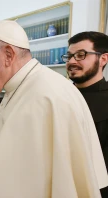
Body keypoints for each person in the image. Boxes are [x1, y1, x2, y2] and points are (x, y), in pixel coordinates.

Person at [0, 20, 108, 197]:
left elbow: (4, 188)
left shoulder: (42, 96)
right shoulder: (23, 86)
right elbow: (6, 149)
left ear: (8, 55)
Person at [62, 31, 108, 197]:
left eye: (81, 55)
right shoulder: (59, 95)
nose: (72, 61)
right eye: (69, 56)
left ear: (103, 59)